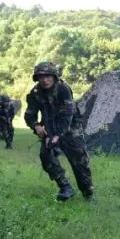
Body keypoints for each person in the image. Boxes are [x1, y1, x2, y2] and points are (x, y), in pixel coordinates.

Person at [24, 61, 95, 201]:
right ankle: (65, 187)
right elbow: (29, 114)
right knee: (46, 157)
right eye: (41, 77)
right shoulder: (35, 93)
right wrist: (36, 126)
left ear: (54, 76)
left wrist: (57, 135)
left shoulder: (62, 89)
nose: (45, 80)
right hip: (50, 129)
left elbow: (67, 114)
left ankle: (88, 194)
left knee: (80, 162)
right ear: (37, 78)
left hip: (71, 129)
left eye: (48, 76)